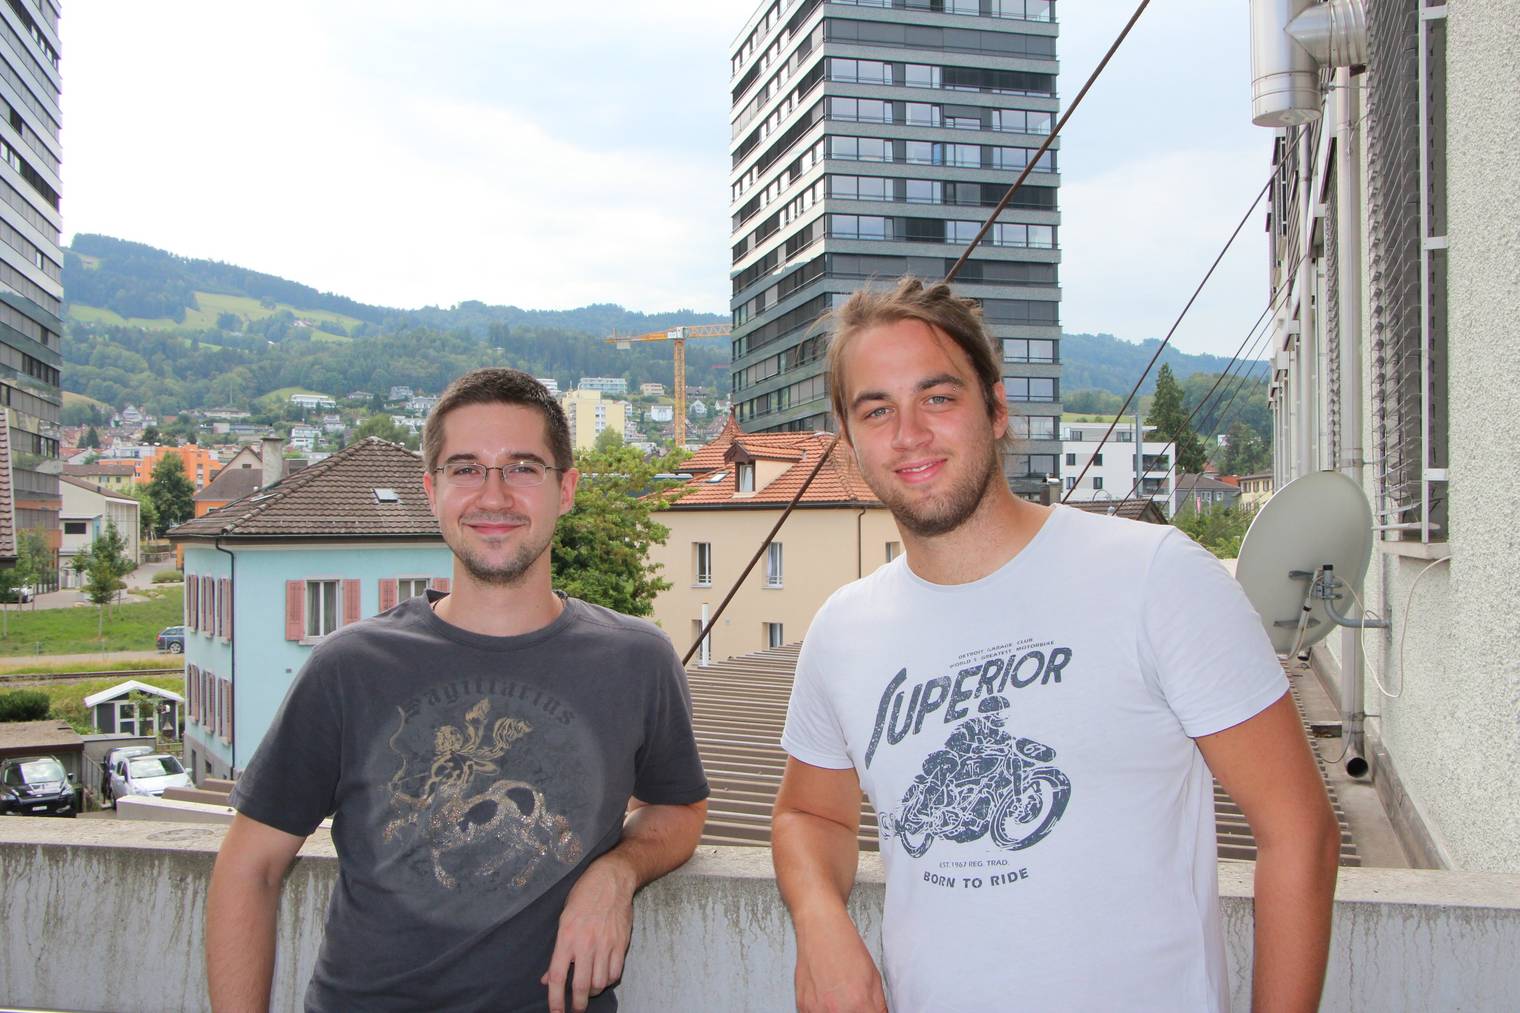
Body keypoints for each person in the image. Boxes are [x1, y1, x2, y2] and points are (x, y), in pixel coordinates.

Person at [772, 278, 1339, 1012]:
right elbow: (809, 816)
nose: (908, 434)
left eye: (937, 397)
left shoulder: (1155, 574)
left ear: (997, 409)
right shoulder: (842, 629)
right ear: (848, 441)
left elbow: (1300, 831)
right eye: (876, 410)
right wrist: (820, 920)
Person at [206, 368, 709, 1013]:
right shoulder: (350, 667)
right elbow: (250, 868)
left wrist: (618, 872)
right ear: (431, 490)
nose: (493, 496)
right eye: (466, 469)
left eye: (523, 468)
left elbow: (679, 810)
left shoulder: (636, 660)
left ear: (568, 489)